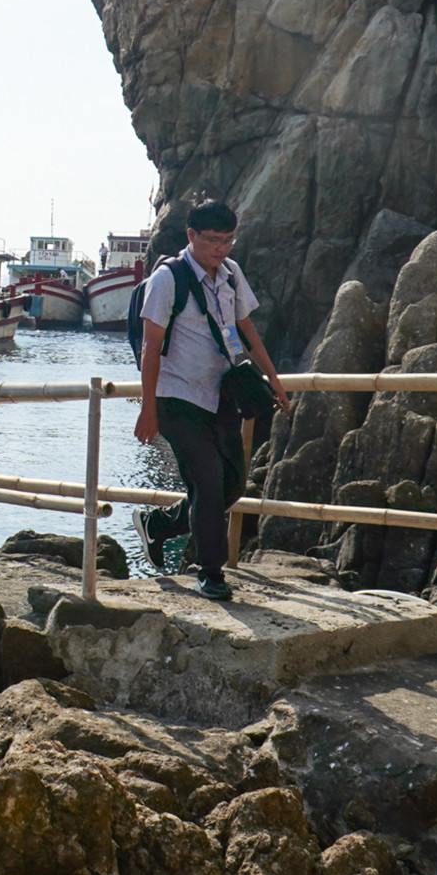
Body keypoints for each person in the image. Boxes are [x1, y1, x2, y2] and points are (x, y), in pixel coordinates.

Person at [130, 198, 289, 601]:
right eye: (213, 240)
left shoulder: (231, 274)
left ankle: (161, 525)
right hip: (177, 398)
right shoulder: (169, 279)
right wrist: (148, 409)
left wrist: (273, 379)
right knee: (208, 481)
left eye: (228, 240)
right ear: (191, 236)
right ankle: (212, 572)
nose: (221, 248)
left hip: (221, 395)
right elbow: (151, 346)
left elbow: (246, 329)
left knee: (232, 485)